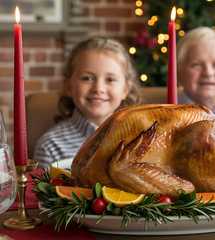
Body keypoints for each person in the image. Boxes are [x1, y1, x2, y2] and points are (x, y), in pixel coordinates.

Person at [34, 36, 141, 168]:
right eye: (87, 78)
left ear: (125, 89)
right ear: (68, 86)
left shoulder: (140, 139)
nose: (98, 89)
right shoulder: (51, 145)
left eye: (110, 80)